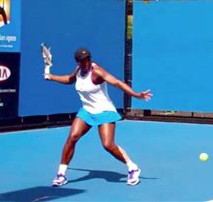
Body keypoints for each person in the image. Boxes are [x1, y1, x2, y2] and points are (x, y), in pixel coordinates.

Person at [45, 48, 152, 187]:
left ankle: (133, 168)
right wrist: (51, 77)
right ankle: (61, 174)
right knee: (72, 138)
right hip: (87, 111)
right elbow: (69, 79)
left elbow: (117, 83)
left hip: (104, 111)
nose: (87, 63)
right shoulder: (78, 71)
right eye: (83, 61)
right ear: (78, 62)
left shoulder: (97, 72)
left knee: (108, 145)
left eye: (88, 59)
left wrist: (136, 95)